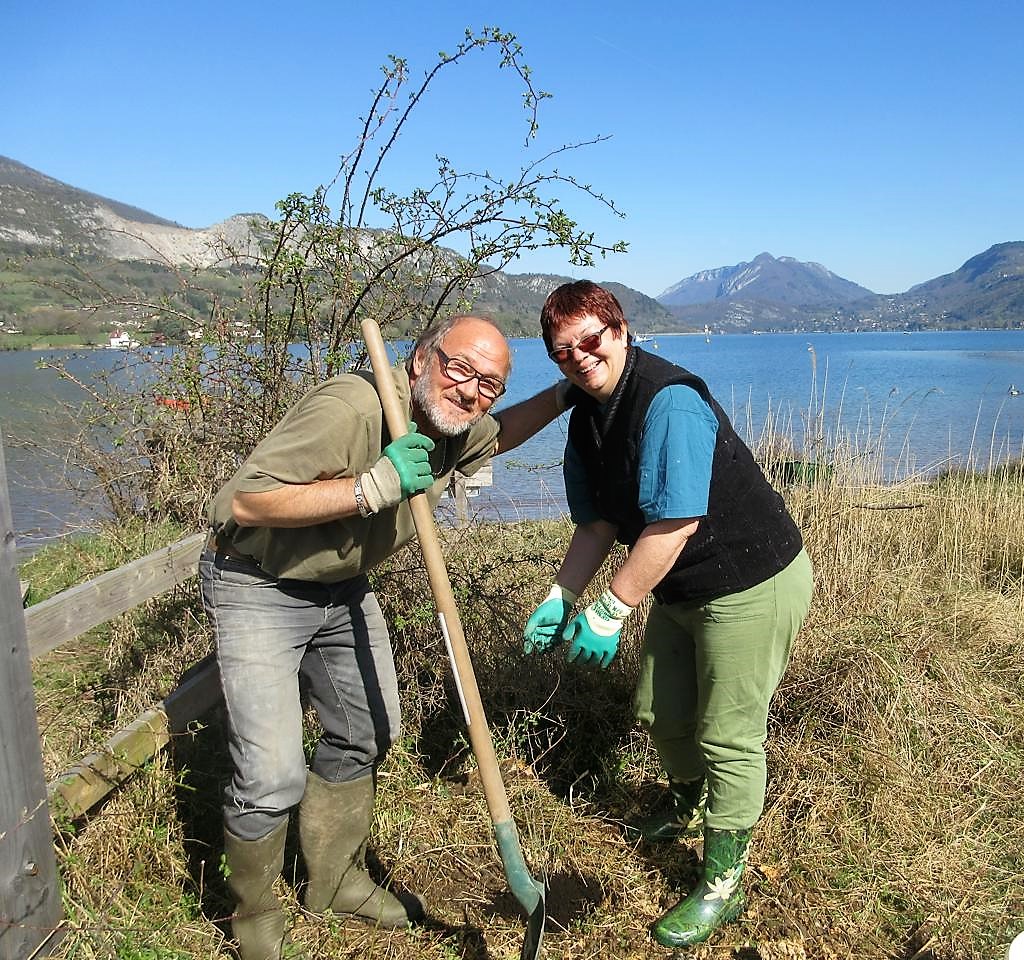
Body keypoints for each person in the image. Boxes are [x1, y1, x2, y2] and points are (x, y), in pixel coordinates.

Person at [202, 315, 567, 960]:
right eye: (460, 369)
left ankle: (334, 881)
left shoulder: (451, 424)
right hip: (260, 582)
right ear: (423, 359)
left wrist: (570, 392)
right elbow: (247, 502)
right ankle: (252, 913)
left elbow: (501, 434)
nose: (472, 391)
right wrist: (369, 488)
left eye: (490, 383)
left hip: (341, 586)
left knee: (367, 729)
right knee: (271, 774)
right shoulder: (353, 406)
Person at [521, 281, 813, 948]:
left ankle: (721, 884)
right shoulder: (588, 417)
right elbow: (598, 525)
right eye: (563, 352)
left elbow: (675, 522)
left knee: (727, 735)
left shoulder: (670, 401)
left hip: (749, 579)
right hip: (681, 587)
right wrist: (562, 595)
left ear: (620, 331)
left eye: (590, 341)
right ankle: (685, 802)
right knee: (660, 709)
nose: (579, 357)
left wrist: (611, 608)